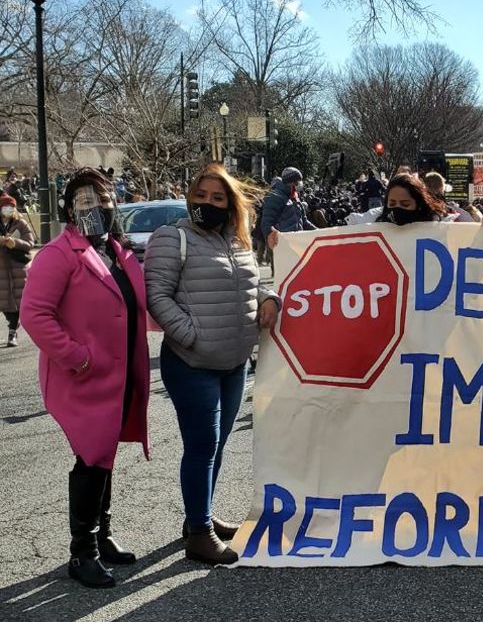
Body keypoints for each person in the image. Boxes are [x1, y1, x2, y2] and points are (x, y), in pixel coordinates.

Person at [20, 167, 149, 588]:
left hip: (119, 374)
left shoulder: (117, 250)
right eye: (84, 200)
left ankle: (103, 535)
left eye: (102, 198)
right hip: (84, 378)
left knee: (104, 455)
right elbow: (34, 314)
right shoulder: (58, 254)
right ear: (69, 209)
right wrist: (76, 357)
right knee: (91, 459)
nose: (95, 206)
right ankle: (83, 552)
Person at [145, 163, 280, 565]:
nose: (208, 203)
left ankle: (197, 517)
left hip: (235, 362)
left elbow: (252, 282)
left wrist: (270, 298)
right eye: (201, 196)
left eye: (218, 197)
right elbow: (157, 297)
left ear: (230, 203)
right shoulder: (173, 238)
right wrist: (192, 336)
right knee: (202, 445)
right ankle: (199, 535)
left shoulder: (237, 241)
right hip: (192, 362)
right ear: (190, 198)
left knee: (217, 444)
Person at [1, 194, 35, 346]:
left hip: (18, 267)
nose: (8, 209)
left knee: (18, 301)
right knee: (4, 303)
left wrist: (14, 242)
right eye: (5, 206)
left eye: (11, 207)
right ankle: (11, 323)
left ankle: (12, 331)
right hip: (1, 268)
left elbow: (30, 242)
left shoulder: (20, 223)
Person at [260, 167, 315, 251]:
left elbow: (304, 222)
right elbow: (267, 223)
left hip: (298, 245)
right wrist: (275, 240)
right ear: (290, 182)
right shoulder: (275, 197)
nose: (298, 184)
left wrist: (320, 232)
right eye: (296, 181)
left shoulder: (295, 198)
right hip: (283, 247)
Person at [378, 173, 448, 225]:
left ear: (419, 204)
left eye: (405, 204)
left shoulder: (437, 227)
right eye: (392, 204)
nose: (398, 208)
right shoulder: (375, 224)